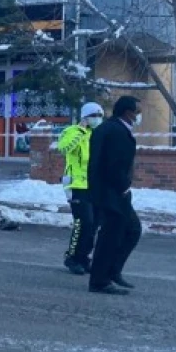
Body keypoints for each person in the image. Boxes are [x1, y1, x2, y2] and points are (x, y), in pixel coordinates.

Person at [87, 96, 144, 295]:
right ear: (128, 112)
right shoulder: (116, 131)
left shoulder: (112, 128)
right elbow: (113, 165)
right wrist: (123, 186)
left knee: (130, 230)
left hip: (109, 191)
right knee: (111, 235)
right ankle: (100, 280)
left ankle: (111, 271)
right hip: (112, 192)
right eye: (137, 111)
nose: (139, 115)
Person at [59, 102, 105, 275]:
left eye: (100, 116)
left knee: (94, 224)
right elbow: (64, 148)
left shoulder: (97, 135)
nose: (97, 119)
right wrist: (80, 131)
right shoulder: (72, 131)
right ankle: (72, 257)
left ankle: (84, 258)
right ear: (85, 117)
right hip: (76, 184)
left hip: (94, 185)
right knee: (83, 222)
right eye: (94, 116)